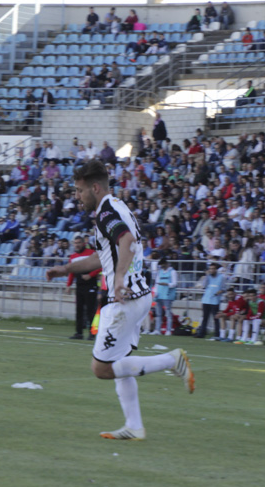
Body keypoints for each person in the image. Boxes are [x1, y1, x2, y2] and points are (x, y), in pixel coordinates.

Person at [46, 160, 193, 441]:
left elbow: (125, 241)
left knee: (101, 368)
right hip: (136, 296)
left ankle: (172, 360)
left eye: (79, 191)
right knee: (119, 363)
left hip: (124, 299)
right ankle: (134, 426)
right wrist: (66, 269)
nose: (77, 197)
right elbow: (100, 257)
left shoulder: (106, 214)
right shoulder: (118, 207)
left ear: (95, 187)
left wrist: (119, 279)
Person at [65, 235, 99, 340]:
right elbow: (71, 272)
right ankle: (78, 333)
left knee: (90, 310)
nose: (77, 245)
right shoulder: (73, 257)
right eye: (75, 243)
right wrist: (68, 285)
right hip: (79, 285)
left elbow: (99, 266)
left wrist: (90, 275)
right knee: (79, 310)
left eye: (79, 242)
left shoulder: (91, 254)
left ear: (83, 243)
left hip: (90, 284)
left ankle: (92, 333)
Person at [194, 262, 225, 338]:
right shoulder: (207, 277)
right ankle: (202, 333)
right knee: (205, 317)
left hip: (215, 300)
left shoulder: (221, 277)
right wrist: (206, 276)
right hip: (206, 299)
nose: (211, 270)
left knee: (216, 318)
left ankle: (217, 334)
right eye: (210, 269)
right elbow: (203, 285)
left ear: (216, 270)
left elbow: (224, 288)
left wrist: (219, 292)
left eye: (213, 269)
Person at [152, 258, 178, 336]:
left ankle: (168, 330)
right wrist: (155, 292)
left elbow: (174, 283)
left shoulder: (173, 272)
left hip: (167, 294)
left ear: (166, 264)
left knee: (168, 313)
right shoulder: (160, 272)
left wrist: (167, 284)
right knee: (158, 313)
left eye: (163, 265)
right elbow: (156, 283)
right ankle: (157, 329)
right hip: (160, 294)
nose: (162, 267)